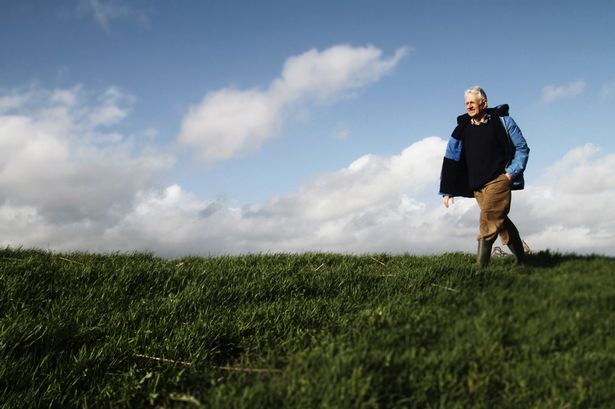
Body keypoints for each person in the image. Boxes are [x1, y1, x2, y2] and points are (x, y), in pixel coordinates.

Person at [439, 86, 530, 266]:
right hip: (477, 184)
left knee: (488, 218)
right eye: (467, 103)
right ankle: (522, 259)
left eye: (473, 102)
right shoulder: (462, 129)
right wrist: (448, 190)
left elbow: (522, 148)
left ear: (484, 103)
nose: (469, 106)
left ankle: (480, 266)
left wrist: (510, 174)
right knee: (501, 222)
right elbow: (451, 159)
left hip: (499, 179)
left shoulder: (503, 122)